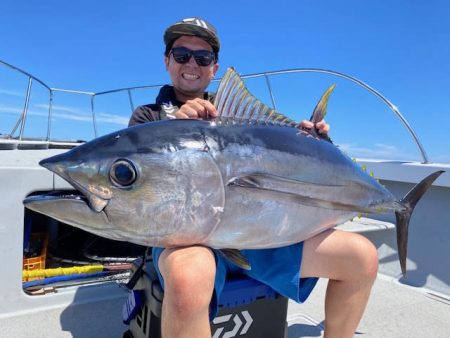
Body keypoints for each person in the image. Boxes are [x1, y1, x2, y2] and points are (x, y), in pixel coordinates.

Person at [129, 17, 378, 338]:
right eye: (181, 55)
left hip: (257, 236)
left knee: (361, 258)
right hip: (187, 240)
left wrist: (313, 144)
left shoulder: (238, 118)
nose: (192, 63)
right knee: (190, 277)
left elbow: (281, 170)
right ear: (167, 61)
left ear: (214, 67)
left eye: (202, 57)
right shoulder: (147, 118)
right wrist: (174, 123)